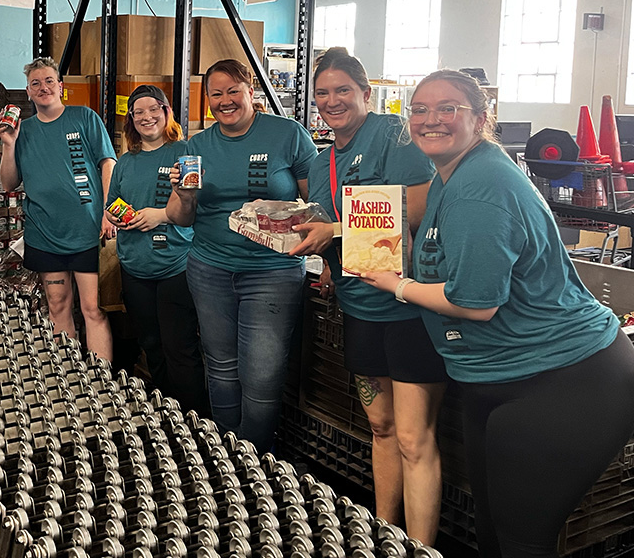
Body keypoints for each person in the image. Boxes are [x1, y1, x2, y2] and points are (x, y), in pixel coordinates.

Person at [362, 69, 634, 558]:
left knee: (520, 543)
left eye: (449, 109)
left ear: (481, 118)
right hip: (498, 377)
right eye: (419, 110)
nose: (431, 120)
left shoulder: (479, 187)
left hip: (561, 380)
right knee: (494, 534)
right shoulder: (453, 174)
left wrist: (396, 285)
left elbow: (476, 303)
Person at [290, 47, 443, 543]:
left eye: (342, 91)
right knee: (379, 425)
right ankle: (385, 530)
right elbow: (323, 223)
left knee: (413, 437)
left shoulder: (394, 136)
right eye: (322, 94)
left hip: (408, 308)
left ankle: (419, 547)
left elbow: (418, 208)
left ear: (365, 94)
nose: (332, 101)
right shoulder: (320, 161)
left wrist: (334, 229)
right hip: (359, 307)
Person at [166, 58, 317, 453]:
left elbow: (318, 204)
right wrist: (183, 196)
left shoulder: (288, 135)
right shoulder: (196, 146)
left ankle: (255, 458)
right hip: (210, 268)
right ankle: (228, 452)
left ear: (251, 91)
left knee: (263, 375)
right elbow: (181, 217)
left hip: (273, 272)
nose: (225, 100)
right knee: (221, 366)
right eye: (216, 94)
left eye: (233, 90)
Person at [0, 57, 117, 360]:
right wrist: (9, 144)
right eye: (35, 83)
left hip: (88, 231)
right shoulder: (22, 131)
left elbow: (108, 164)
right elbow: (9, 183)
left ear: (61, 87)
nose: (43, 87)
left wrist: (107, 210)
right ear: (27, 91)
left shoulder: (84, 118)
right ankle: (68, 377)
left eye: (49, 81)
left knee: (93, 308)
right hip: (45, 233)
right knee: (58, 305)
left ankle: (100, 381)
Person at [104, 84, 208, 414]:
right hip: (135, 266)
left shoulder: (184, 152)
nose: (147, 117)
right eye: (138, 113)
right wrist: (117, 215)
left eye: (153, 109)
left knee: (180, 347)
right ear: (131, 121)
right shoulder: (125, 163)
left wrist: (159, 216)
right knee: (151, 345)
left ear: (166, 112)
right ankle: (167, 413)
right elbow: (111, 206)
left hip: (175, 267)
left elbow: (193, 206)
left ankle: (193, 418)